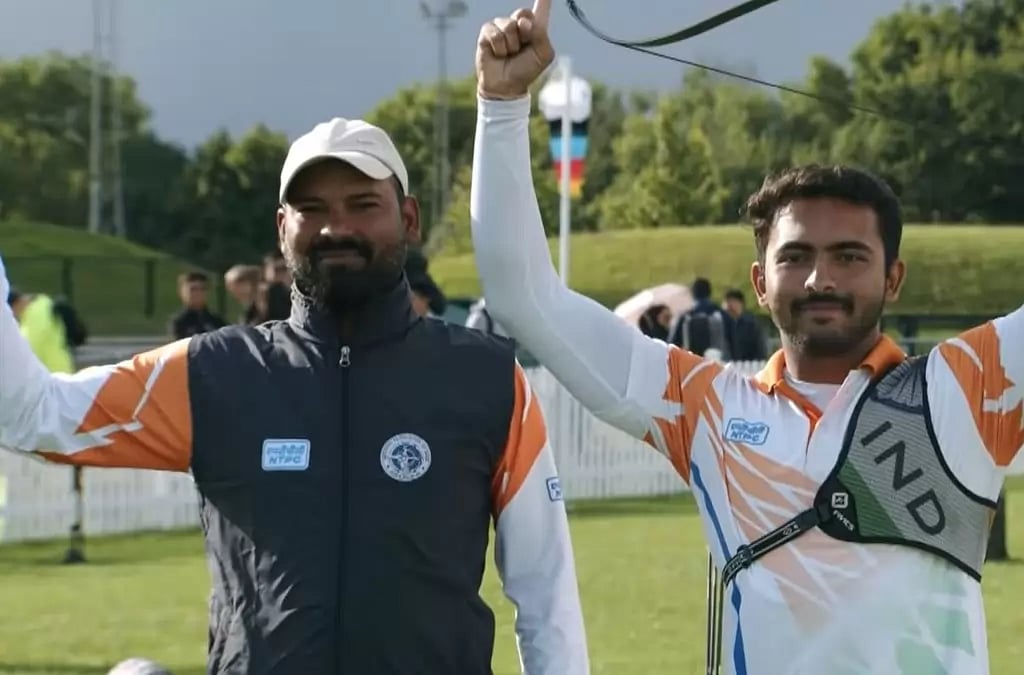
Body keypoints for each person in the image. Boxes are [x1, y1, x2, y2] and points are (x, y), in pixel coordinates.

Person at [468, 1, 1024, 672]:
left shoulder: (967, 389)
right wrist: (501, 108)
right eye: (796, 256)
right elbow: (523, 296)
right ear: (759, 282)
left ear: (894, 277)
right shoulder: (706, 409)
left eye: (850, 256)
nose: (821, 279)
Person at [0, 115, 587, 674]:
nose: (336, 227)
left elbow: (545, 592)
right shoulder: (214, 374)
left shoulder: (485, 378)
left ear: (408, 218)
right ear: (282, 227)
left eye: (363, 205)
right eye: (312, 209)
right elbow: (31, 415)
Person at [6, 288, 75, 374]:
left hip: (53, 373)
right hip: (58, 368)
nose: (13, 315)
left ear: (17, 304)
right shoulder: (41, 305)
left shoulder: (36, 316)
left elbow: (29, 348)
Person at [667, 277, 734, 360]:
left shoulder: (684, 317)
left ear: (692, 294)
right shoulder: (722, 315)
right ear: (709, 292)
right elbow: (734, 342)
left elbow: (671, 346)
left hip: (692, 365)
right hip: (719, 364)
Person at [168, 271, 226, 339]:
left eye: (202, 289)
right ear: (182, 292)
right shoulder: (179, 322)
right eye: (193, 289)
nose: (198, 293)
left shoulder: (217, 321)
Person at [722, 288, 768, 362]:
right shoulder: (720, 325)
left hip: (749, 367)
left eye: (732, 302)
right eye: (727, 302)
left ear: (741, 304)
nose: (729, 306)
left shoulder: (751, 325)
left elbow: (760, 350)